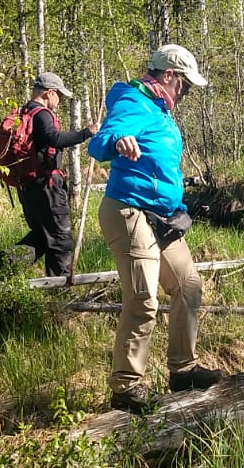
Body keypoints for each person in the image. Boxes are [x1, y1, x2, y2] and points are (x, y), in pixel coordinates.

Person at [87, 44, 224, 414]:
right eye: (185, 85)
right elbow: (100, 143)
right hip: (129, 211)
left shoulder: (161, 111)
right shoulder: (134, 102)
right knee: (143, 298)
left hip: (162, 218)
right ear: (168, 76)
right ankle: (125, 387)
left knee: (188, 286)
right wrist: (117, 141)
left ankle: (183, 371)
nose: (186, 92)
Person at [13, 71, 97, 276]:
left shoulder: (24, 112)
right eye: (58, 95)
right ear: (49, 93)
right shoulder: (41, 114)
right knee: (60, 237)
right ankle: (60, 286)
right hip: (46, 187)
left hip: (29, 186)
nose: (59, 100)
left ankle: (7, 265)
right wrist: (87, 132)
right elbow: (54, 138)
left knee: (43, 235)